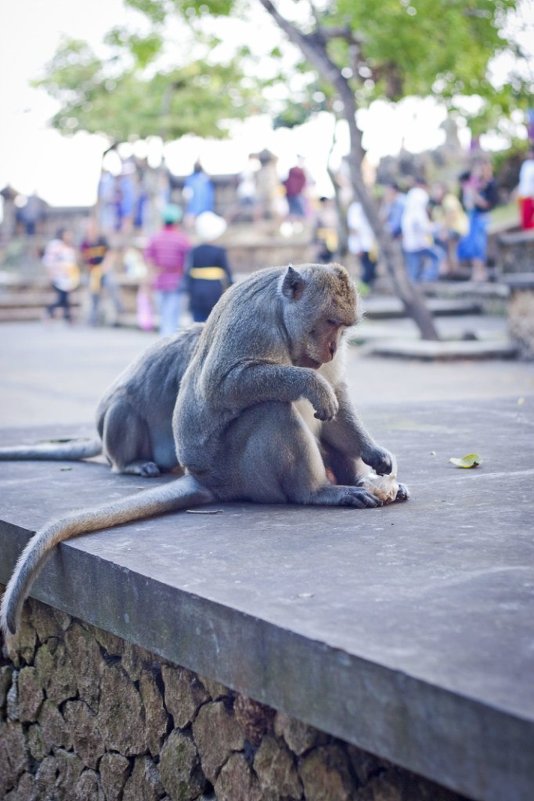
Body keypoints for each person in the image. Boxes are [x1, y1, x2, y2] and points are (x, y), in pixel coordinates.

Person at [144, 204, 191, 335]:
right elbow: (187, 262)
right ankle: (168, 343)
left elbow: (149, 260)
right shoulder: (182, 239)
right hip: (176, 280)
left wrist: (150, 278)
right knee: (172, 316)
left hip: (159, 279)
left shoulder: (154, 238)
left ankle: (164, 340)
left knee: (164, 315)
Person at [184, 212, 233, 322]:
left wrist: (188, 289)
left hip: (196, 289)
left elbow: (188, 273)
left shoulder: (194, 251)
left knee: (197, 322)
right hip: (213, 289)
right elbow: (228, 272)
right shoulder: (219, 251)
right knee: (212, 321)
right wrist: (230, 286)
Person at [458, 162, 499, 281]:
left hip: (482, 218)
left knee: (480, 246)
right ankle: (476, 272)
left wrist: (475, 195)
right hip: (473, 217)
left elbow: (487, 204)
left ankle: (481, 273)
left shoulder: (490, 185)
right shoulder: (475, 185)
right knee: (473, 246)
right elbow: (468, 204)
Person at [79, 219, 123, 326]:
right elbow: (82, 260)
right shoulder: (84, 243)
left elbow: (111, 254)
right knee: (93, 291)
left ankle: (119, 308)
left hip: (104, 270)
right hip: (92, 272)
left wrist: (105, 266)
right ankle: (94, 317)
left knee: (112, 284)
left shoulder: (102, 240)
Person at [401, 185, 442, 282]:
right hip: (419, 245)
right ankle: (428, 278)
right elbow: (425, 228)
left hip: (409, 246)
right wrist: (438, 226)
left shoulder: (407, 212)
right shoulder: (418, 212)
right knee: (439, 255)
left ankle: (416, 286)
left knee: (414, 270)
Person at [430, 183, 468, 277]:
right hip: (451, 229)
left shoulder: (449, 200)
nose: (435, 193)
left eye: (437, 190)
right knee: (448, 249)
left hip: (456, 228)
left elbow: (451, 215)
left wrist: (444, 230)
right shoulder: (440, 203)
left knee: (450, 248)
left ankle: (452, 271)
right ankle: (450, 270)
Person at [42, 228, 80, 323]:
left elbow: (72, 263)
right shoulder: (55, 246)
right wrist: (51, 274)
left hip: (68, 277)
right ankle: (51, 311)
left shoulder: (70, 247)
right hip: (58, 276)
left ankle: (68, 317)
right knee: (62, 298)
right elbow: (49, 261)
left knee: (65, 297)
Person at [347, 199, 377, 287]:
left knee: (372, 267)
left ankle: (367, 288)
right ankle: (362, 288)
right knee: (367, 268)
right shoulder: (355, 208)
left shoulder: (367, 206)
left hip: (370, 245)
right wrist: (358, 246)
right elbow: (354, 229)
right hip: (362, 246)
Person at [183, 161, 215, 226]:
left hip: (194, 208)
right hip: (205, 208)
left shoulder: (190, 179)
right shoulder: (206, 179)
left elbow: (187, 194)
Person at [313, 196, 339, 263]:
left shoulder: (332, 213)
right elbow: (315, 230)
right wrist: (317, 243)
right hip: (322, 240)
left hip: (331, 239)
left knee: (332, 259)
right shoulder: (318, 214)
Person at [517, 146, 534, 230]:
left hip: (531, 197)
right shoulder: (526, 164)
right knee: (526, 223)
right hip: (524, 196)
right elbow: (523, 181)